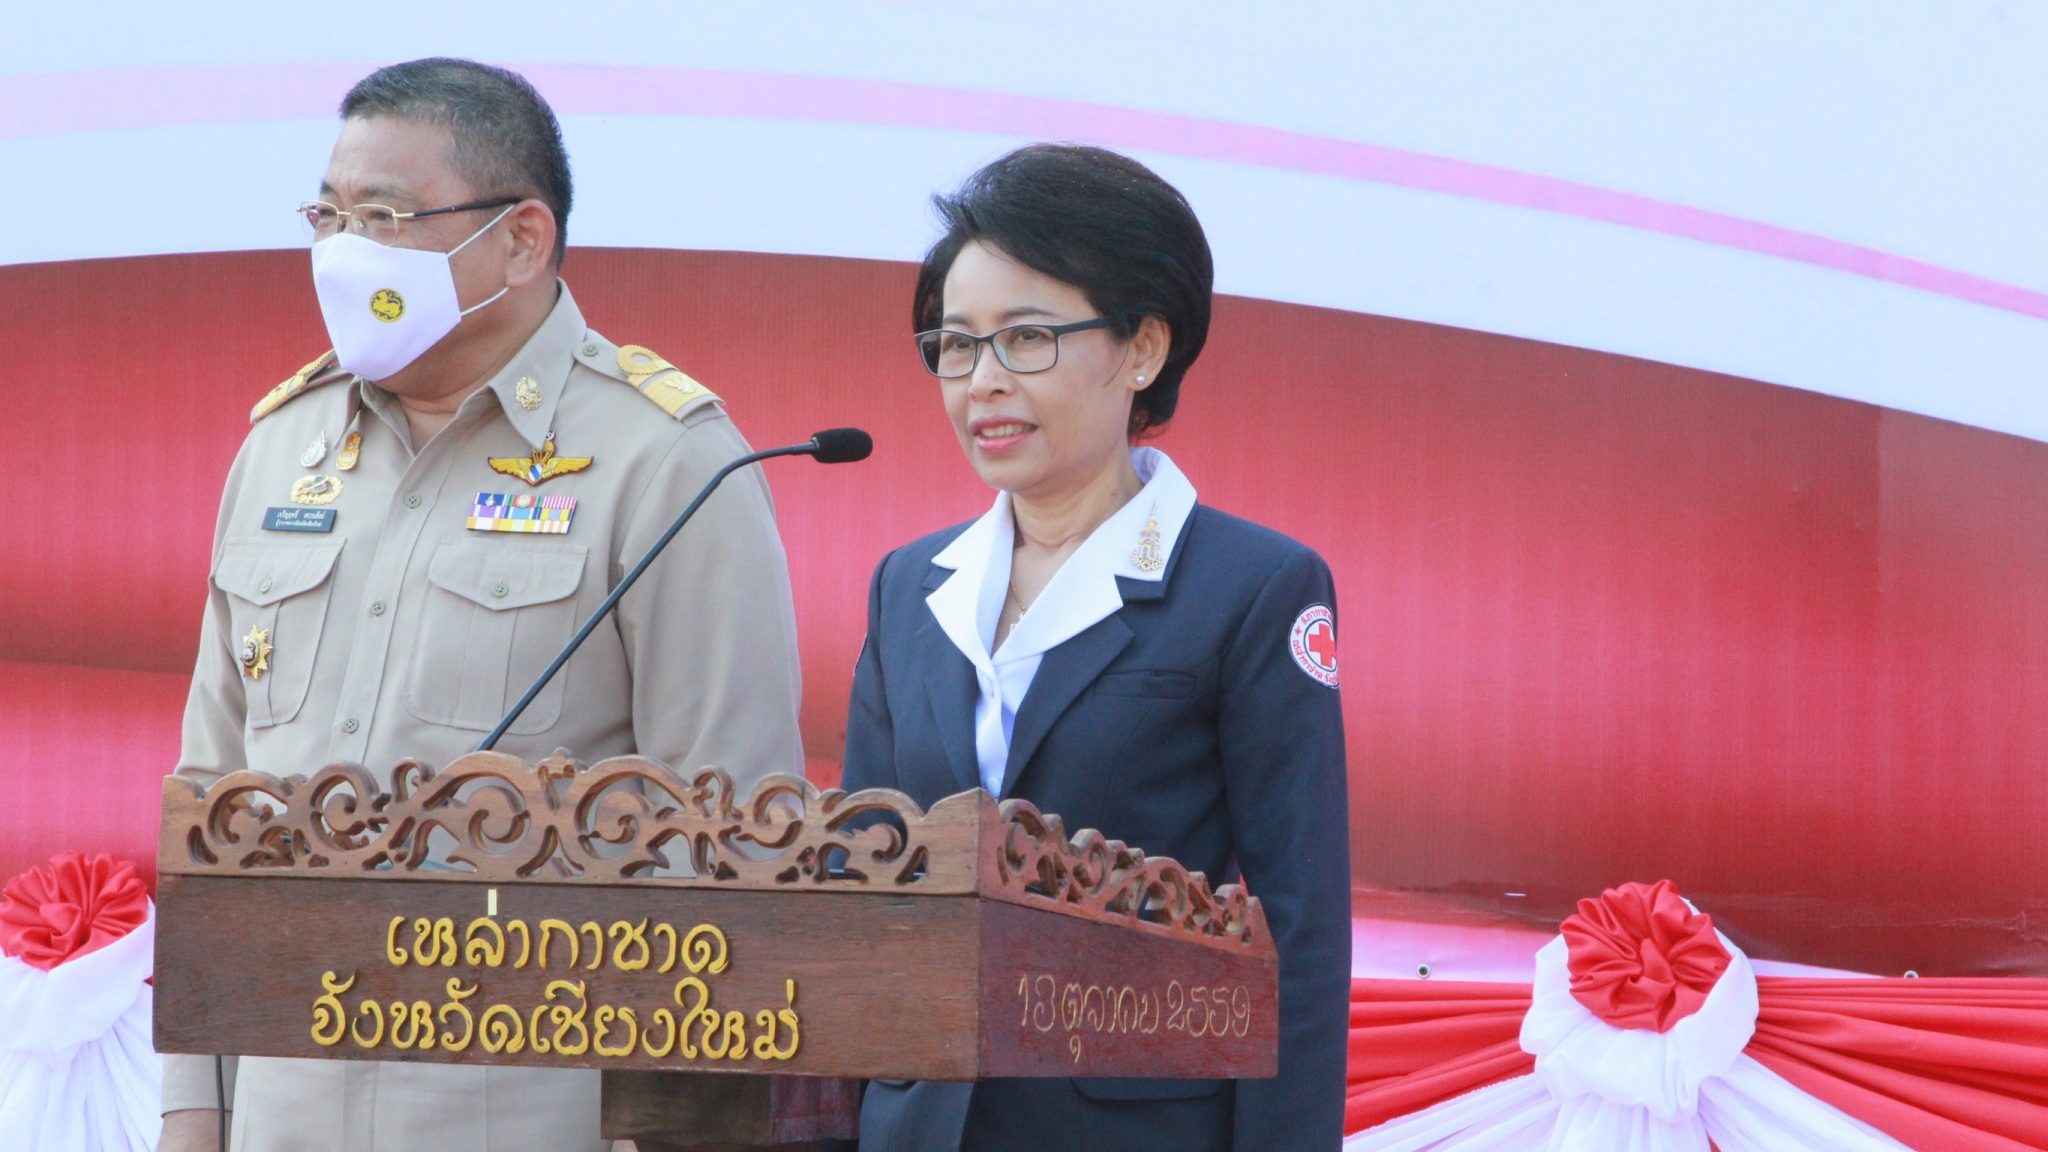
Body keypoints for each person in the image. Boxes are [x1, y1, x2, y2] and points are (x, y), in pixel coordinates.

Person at [158, 59, 806, 1152]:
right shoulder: (281, 447)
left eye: (386, 217)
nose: (344, 250)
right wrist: (193, 1110)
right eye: (330, 215)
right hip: (282, 1107)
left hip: (532, 1113)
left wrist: (667, 1128)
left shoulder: (663, 458)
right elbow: (209, 804)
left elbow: (727, 833)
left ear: (521, 239)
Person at [840, 144, 1351, 1151]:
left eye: (1026, 338)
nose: (982, 382)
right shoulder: (910, 587)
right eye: (955, 345)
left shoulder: (1253, 589)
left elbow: (1296, 927)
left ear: (1143, 348)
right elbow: (859, 884)